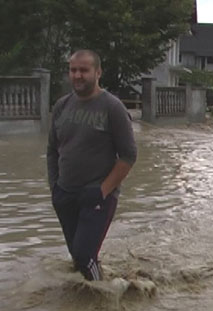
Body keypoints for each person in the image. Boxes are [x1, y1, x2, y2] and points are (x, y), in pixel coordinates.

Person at [47, 49, 137, 281]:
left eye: (84, 70)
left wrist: (102, 191)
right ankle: (82, 308)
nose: (77, 75)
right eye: (73, 70)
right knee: (78, 258)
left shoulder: (112, 108)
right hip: (65, 194)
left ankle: (103, 298)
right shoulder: (61, 106)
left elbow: (128, 156)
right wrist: (54, 187)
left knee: (84, 255)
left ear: (98, 72)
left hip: (98, 195)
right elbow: (51, 150)